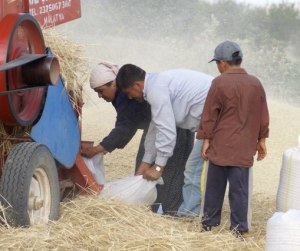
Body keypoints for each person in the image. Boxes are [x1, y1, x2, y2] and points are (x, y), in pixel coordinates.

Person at [81, 62, 195, 215]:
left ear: (113, 84)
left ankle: (169, 213)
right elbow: (131, 125)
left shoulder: (124, 95)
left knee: (170, 172)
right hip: (155, 130)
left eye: (100, 91)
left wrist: (98, 149)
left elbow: (126, 127)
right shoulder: (123, 94)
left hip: (174, 131)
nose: (100, 96)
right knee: (143, 172)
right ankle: (151, 209)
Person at [116, 65, 213, 216]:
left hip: (217, 120)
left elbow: (167, 131)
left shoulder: (156, 89)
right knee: (196, 169)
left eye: (129, 92)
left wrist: (158, 167)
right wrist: (145, 163)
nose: (130, 97)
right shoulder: (156, 83)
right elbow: (155, 128)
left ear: (137, 85)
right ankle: (194, 211)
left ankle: (189, 215)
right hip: (210, 121)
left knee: (193, 170)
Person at [197, 41, 269, 236]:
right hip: (244, 147)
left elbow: (210, 115)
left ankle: (209, 226)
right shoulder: (255, 83)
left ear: (222, 63)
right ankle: (238, 229)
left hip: (221, 145)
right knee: (239, 191)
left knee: (214, 189)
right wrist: (261, 140)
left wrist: (206, 140)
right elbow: (262, 113)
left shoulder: (219, 82)